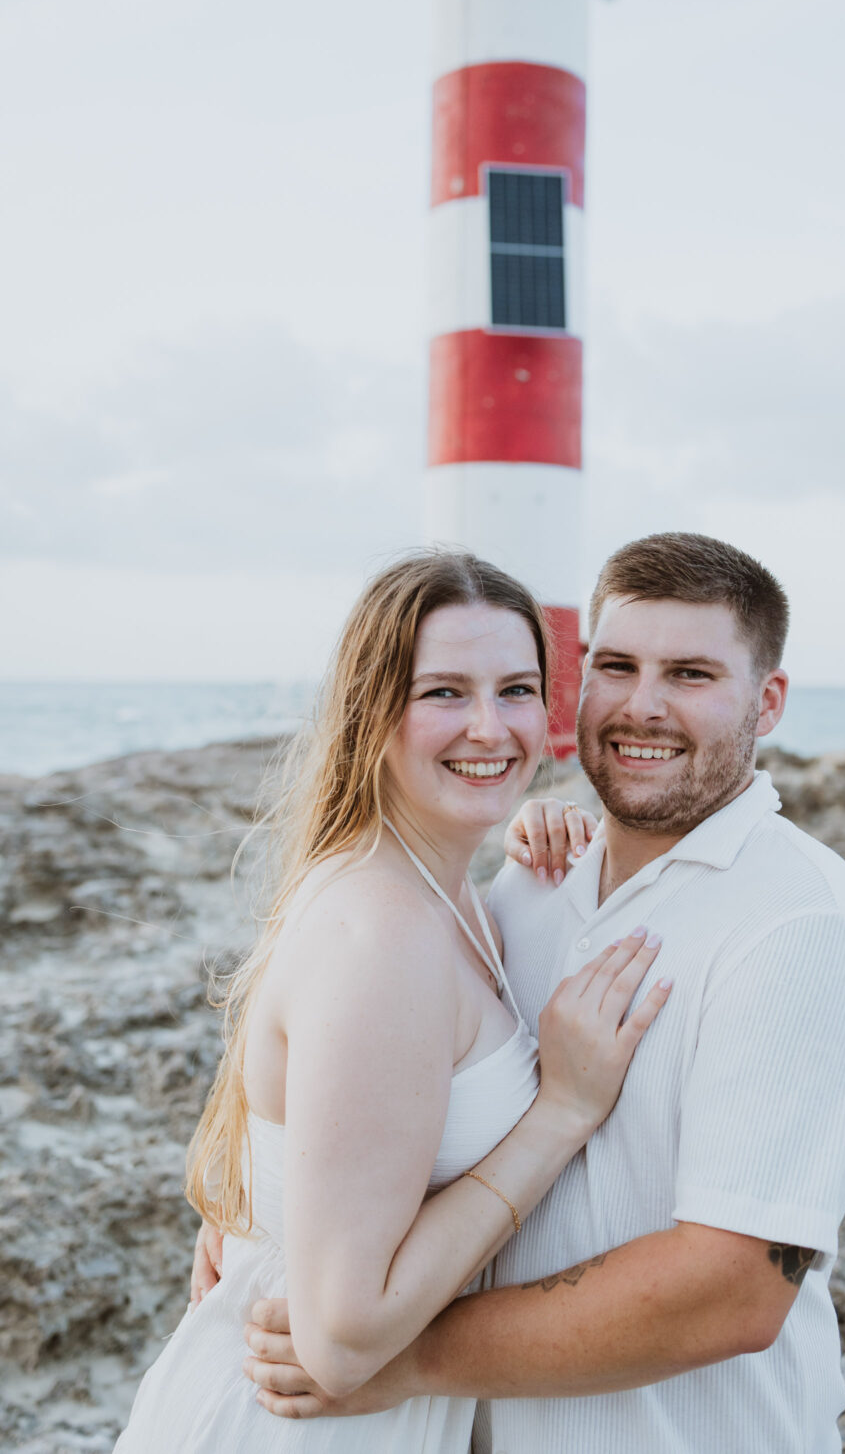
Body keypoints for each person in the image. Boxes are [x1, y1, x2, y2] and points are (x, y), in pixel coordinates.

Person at [228, 532, 845, 1454]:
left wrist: (408, 1359)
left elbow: (733, 1290)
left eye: (693, 674)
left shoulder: (802, 926)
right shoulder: (525, 885)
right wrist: (257, 1218)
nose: (643, 707)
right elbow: (360, 1081)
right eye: (616, 666)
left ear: (769, 700)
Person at [113, 550, 672, 1454]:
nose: (490, 728)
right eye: (444, 692)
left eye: (518, 690)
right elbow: (339, 1339)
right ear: (373, 709)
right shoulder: (385, 934)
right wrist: (561, 1112)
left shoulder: (445, 895)